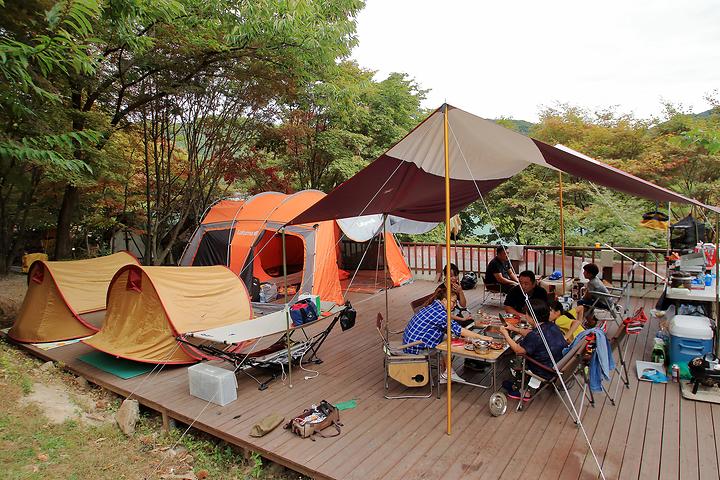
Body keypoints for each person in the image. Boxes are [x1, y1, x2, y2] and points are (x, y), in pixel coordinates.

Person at [403, 284, 490, 382]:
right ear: (444, 300)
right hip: (416, 348)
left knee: (449, 338)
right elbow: (458, 330)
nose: (455, 305)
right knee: (450, 343)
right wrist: (481, 337)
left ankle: (447, 372)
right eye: (453, 302)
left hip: (410, 342)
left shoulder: (434, 306)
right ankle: (449, 373)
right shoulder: (440, 313)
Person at [499, 299, 568, 381]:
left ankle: (518, 383)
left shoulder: (535, 335)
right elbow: (532, 334)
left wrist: (506, 335)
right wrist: (514, 329)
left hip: (545, 370)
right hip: (557, 364)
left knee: (510, 359)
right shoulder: (551, 325)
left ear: (532, 317)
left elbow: (518, 351)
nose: (525, 316)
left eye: (526, 314)